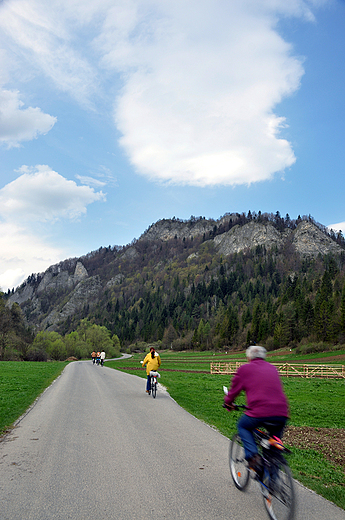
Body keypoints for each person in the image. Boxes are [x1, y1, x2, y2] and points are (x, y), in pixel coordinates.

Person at [224, 345, 289, 476]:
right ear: (264, 356)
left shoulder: (245, 369)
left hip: (259, 412)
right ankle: (273, 484)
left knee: (242, 426)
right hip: (282, 413)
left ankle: (253, 457)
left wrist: (228, 403)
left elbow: (233, 392)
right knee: (273, 448)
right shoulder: (272, 368)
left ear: (248, 357)